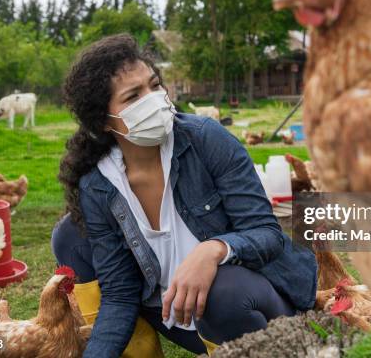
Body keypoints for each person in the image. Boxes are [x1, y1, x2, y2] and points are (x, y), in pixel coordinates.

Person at [53, 33, 317, 357]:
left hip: (249, 301)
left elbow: (267, 234)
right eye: (133, 96)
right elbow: (120, 293)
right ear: (104, 121)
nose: (153, 99)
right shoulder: (99, 183)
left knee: (223, 291)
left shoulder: (205, 139)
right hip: (180, 316)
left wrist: (215, 249)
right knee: (68, 233)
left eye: (154, 85)